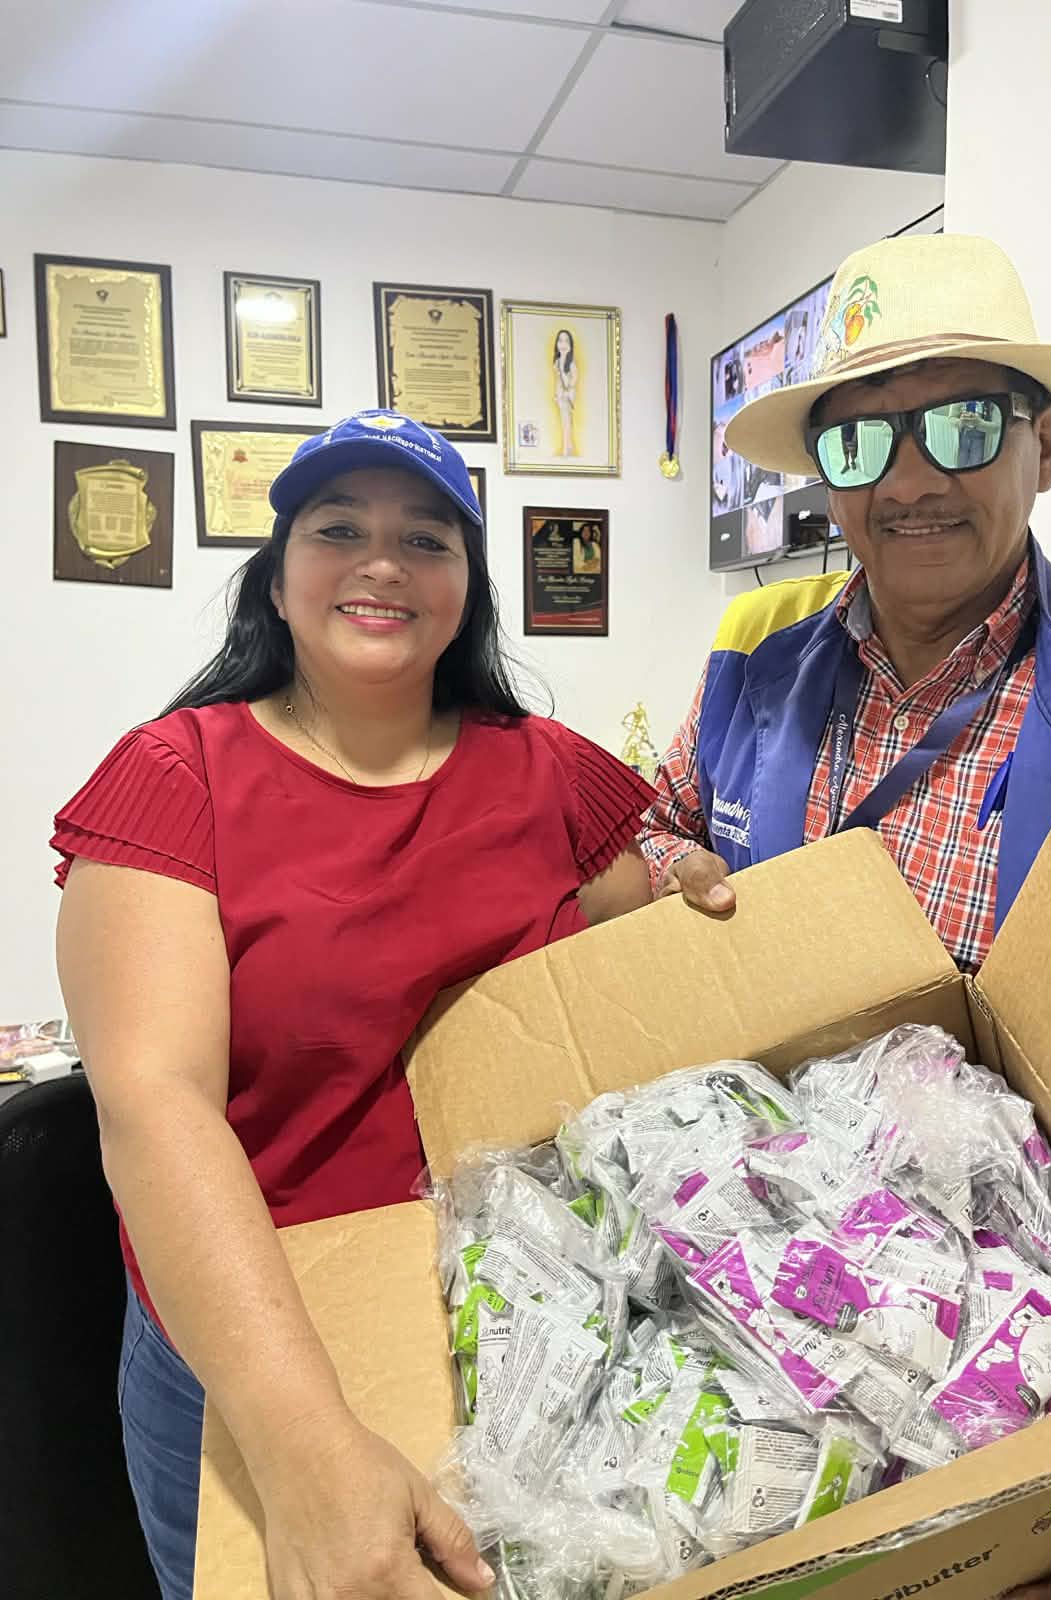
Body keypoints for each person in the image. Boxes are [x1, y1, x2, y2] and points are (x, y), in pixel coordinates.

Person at [52, 410, 655, 1600]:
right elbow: (153, 1103)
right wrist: (309, 1447)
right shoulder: (175, 780)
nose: (383, 563)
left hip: (529, 1332)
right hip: (260, 1353)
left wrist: (692, 885)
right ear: (277, 581)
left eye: (426, 539)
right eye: (338, 530)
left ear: (467, 591)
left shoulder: (553, 775)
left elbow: (641, 1006)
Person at [640, 232, 1051, 970]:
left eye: (965, 427)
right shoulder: (755, 643)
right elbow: (659, 827)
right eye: (857, 441)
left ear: (1048, 446)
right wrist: (676, 872)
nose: (907, 486)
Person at [553, 328, 578, 456]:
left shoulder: (570, 363)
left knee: (567, 421)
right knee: (564, 421)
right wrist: (557, 394)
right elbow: (558, 381)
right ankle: (569, 445)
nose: (563, 344)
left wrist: (567, 392)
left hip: (567, 395)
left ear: (570, 345)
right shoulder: (557, 362)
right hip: (560, 395)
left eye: (566, 341)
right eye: (560, 341)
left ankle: (566, 448)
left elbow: (572, 380)